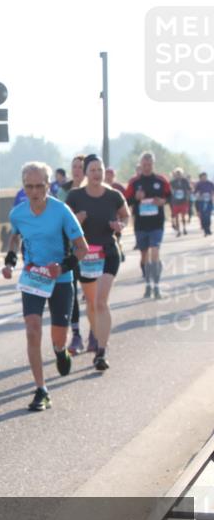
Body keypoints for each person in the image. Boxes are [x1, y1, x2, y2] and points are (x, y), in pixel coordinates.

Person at [3, 162, 88, 411]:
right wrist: (10, 261)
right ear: (24, 187)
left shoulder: (62, 211)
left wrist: (62, 267)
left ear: (49, 186)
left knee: (58, 335)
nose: (35, 191)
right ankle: (41, 389)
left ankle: (61, 351)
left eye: (40, 186)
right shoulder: (17, 213)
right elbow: (15, 236)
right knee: (32, 328)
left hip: (60, 279)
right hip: (33, 278)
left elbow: (81, 248)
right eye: (29, 186)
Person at [65, 155, 130, 371]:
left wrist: (120, 225)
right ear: (85, 172)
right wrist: (76, 220)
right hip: (85, 256)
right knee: (92, 304)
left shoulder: (113, 195)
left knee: (101, 301)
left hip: (108, 253)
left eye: (99, 169)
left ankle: (102, 351)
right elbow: (64, 221)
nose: (96, 173)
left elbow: (126, 215)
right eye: (92, 170)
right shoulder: (75, 196)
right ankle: (98, 336)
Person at [124, 151, 172, 299]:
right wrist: (135, 198)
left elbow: (169, 196)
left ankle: (156, 287)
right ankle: (148, 284)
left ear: (153, 164)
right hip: (140, 224)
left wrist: (163, 201)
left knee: (155, 251)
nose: (147, 167)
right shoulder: (134, 182)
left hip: (157, 223)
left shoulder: (161, 180)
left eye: (149, 164)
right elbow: (126, 201)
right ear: (141, 164)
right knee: (144, 255)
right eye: (144, 164)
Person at [57, 156, 88, 354]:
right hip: (72, 248)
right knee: (74, 292)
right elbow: (58, 217)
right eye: (74, 167)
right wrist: (76, 220)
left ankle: (96, 332)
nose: (77, 170)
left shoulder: (94, 188)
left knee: (95, 298)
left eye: (80, 167)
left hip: (94, 248)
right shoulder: (64, 191)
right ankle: (76, 334)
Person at [170, 168, 192, 236]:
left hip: (183, 201)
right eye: (177, 174)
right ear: (175, 175)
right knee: (176, 217)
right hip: (175, 201)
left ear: (182, 174)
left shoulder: (185, 181)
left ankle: (184, 228)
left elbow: (189, 189)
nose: (178, 175)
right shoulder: (172, 182)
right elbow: (169, 190)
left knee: (183, 216)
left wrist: (188, 195)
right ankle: (178, 231)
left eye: (179, 174)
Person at [194, 171, 213, 236]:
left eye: (205, 177)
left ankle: (208, 228)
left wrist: (211, 196)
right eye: (203, 177)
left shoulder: (210, 183)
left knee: (208, 216)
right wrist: (198, 194)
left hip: (209, 201)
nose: (204, 178)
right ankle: (205, 229)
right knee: (203, 216)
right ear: (200, 178)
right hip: (201, 201)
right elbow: (195, 192)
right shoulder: (198, 184)